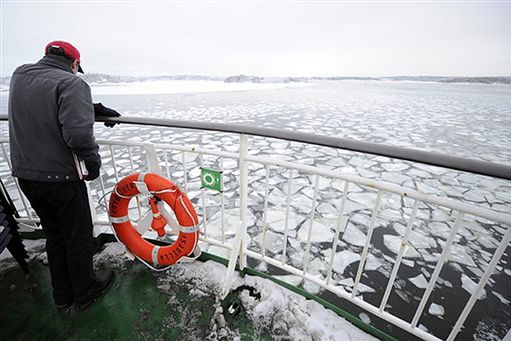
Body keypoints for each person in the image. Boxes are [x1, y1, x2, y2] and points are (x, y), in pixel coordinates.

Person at [8, 40, 119, 313]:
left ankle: (62, 296)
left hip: (26, 174)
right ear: (74, 64)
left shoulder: (20, 74)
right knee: (78, 236)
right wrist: (93, 164)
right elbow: (78, 136)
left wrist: (90, 108)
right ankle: (84, 293)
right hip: (59, 178)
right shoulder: (73, 84)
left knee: (55, 235)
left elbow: (44, 102)